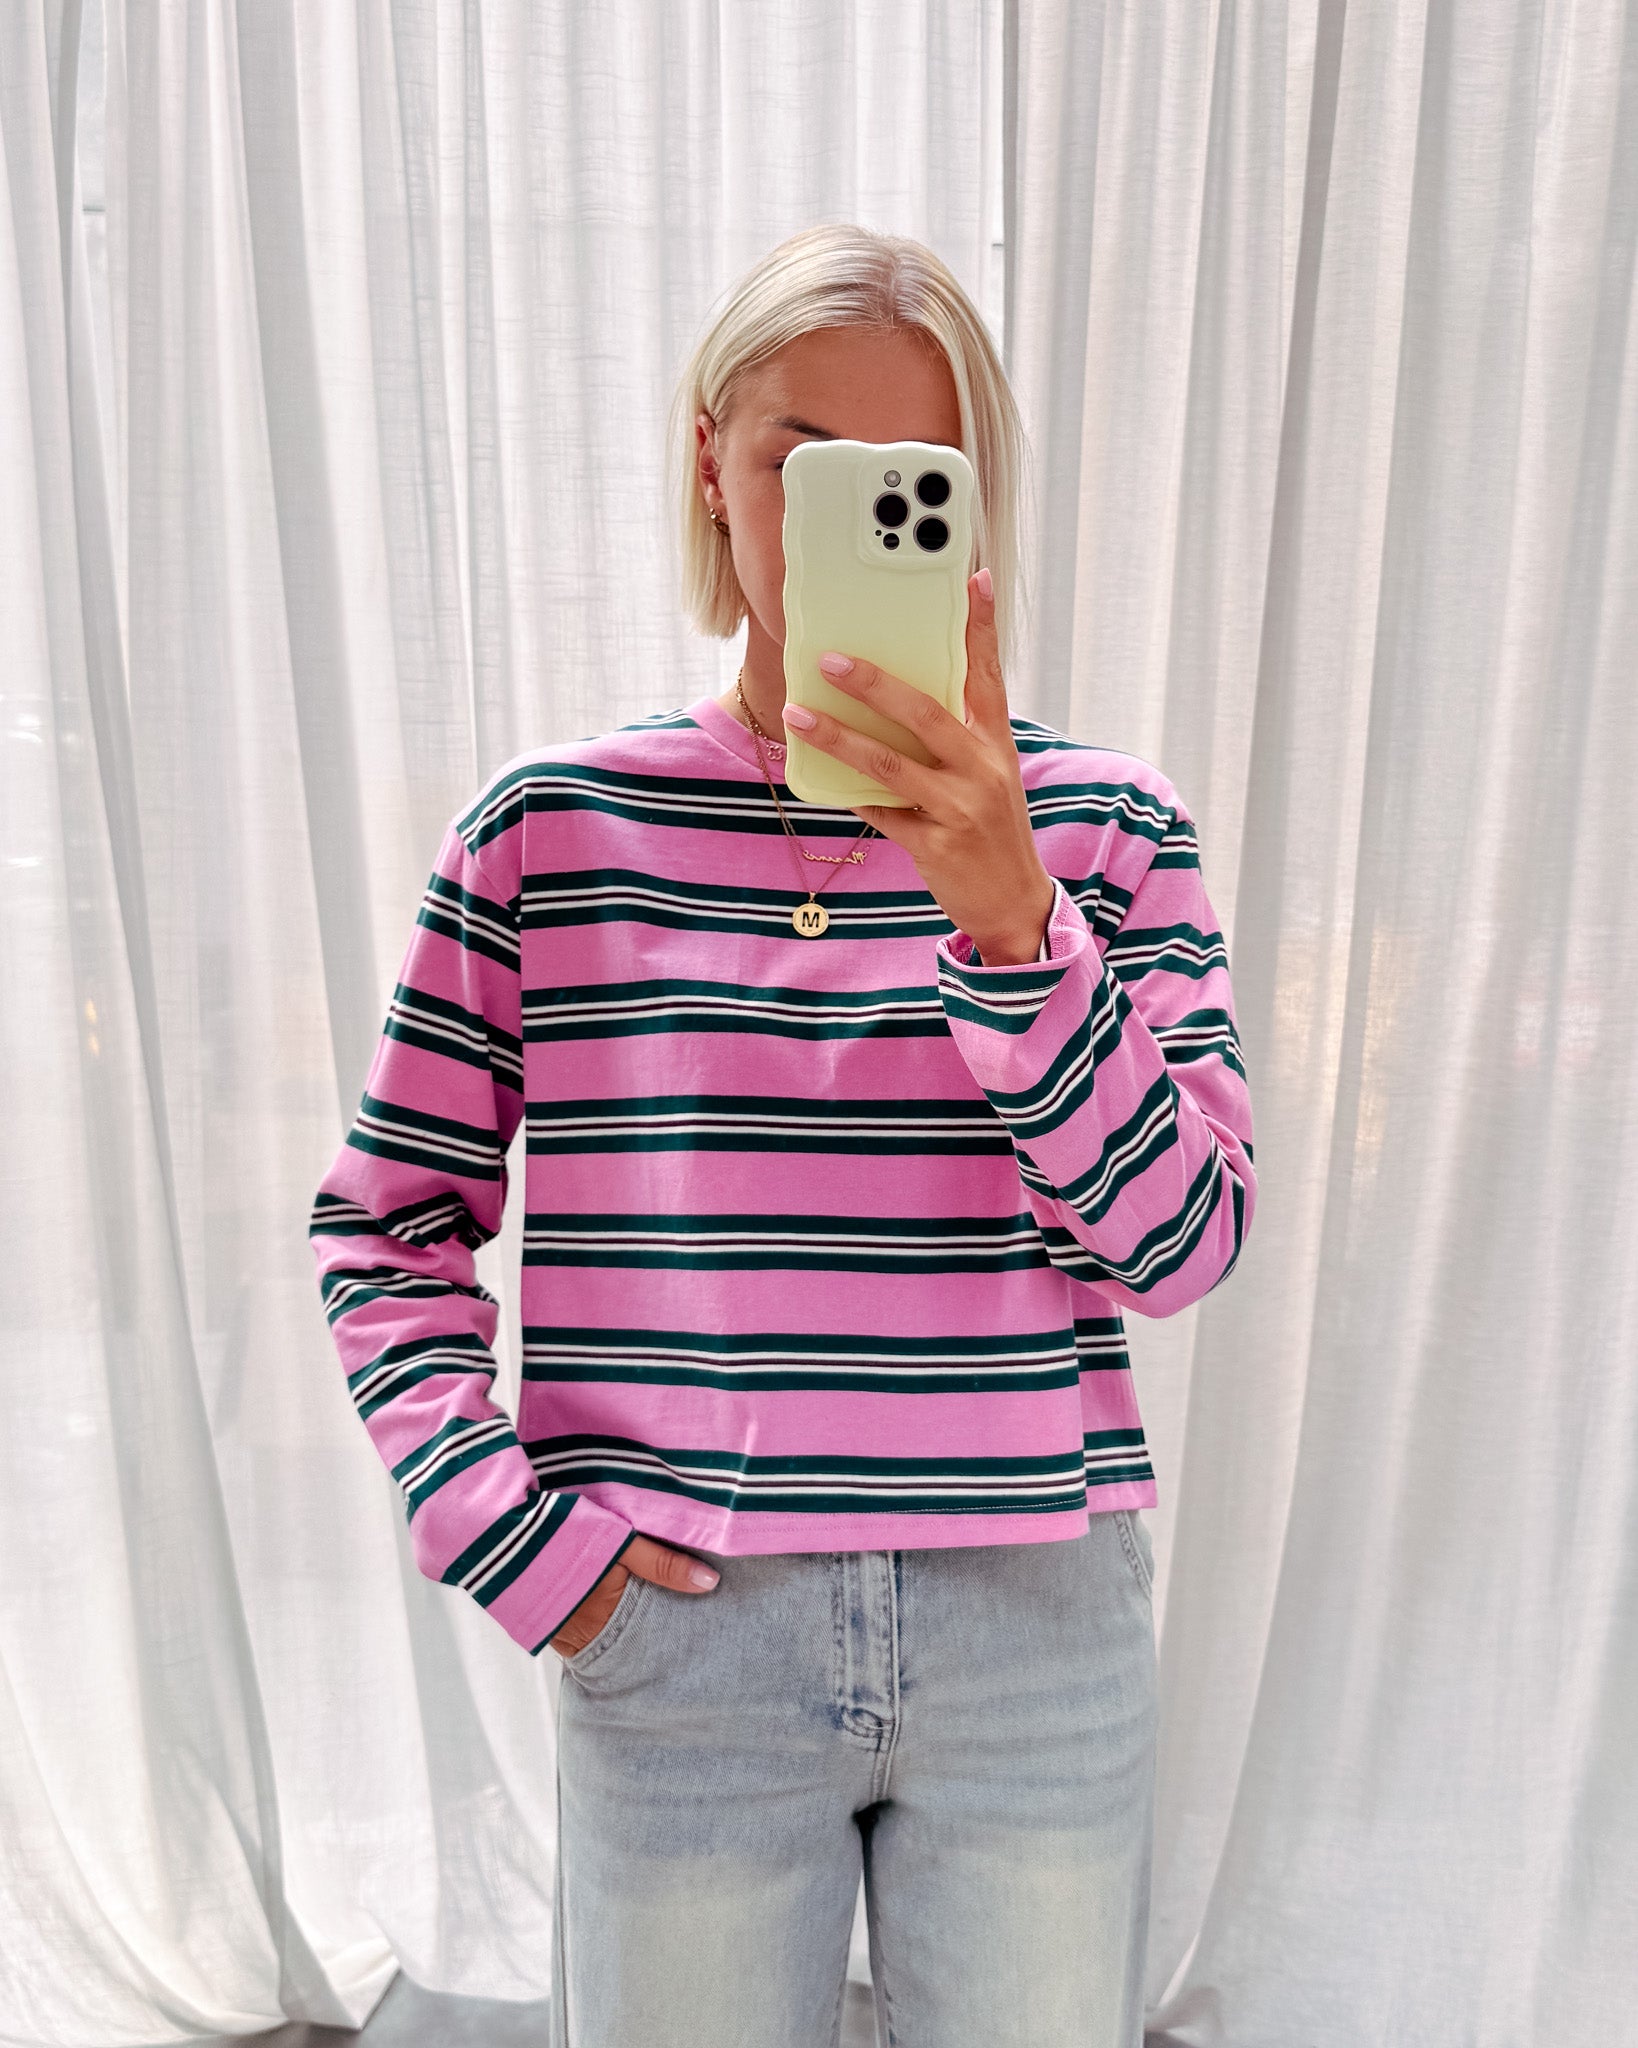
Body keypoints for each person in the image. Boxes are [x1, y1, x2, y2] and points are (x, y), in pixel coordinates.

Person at [309, 222, 1256, 2048]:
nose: (848, 521)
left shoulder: (1107, 831)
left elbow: (1182, 1247)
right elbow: (385, 1228)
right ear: (709, 467)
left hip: (1035, 1636)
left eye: (910, 475)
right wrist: (515, 1539)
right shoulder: (549, 832)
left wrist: (1011, 922)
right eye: (799, 464)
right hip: (683, 1628)